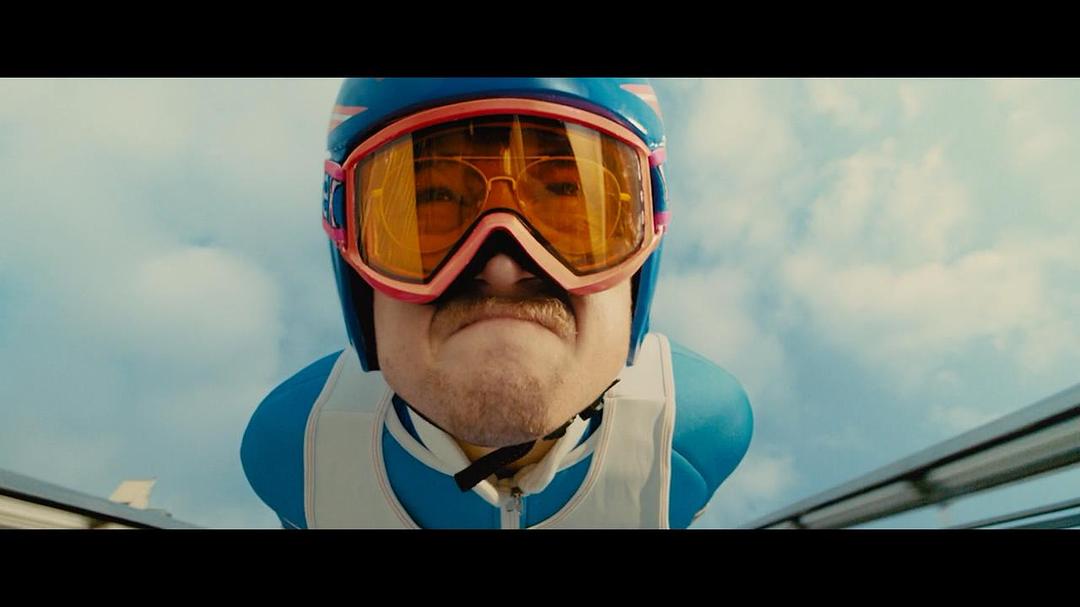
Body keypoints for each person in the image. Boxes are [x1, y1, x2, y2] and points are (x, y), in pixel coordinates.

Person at [241, 78, 753, 529]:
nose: (503, 269)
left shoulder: (692, 430)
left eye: (568, 198)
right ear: (354, 263)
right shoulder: (298, 451)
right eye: (432, 203)